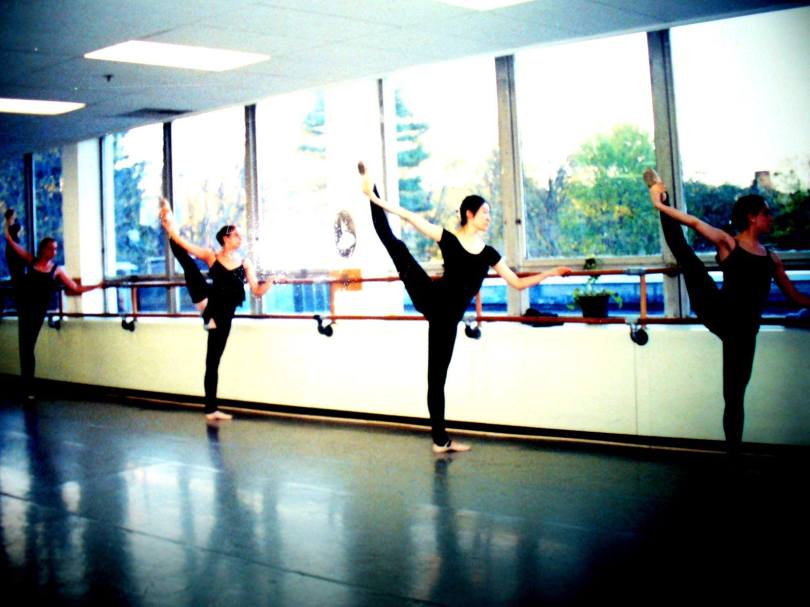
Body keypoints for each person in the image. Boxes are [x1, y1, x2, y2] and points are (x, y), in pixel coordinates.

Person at [359, 162, 572, 454]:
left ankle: (440, 441)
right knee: (395, 245)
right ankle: (370, 190)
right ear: (470, 214)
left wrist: (551, 272)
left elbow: (517, 283)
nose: (489, 217)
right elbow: (409, 216)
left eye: (490, 213)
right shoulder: (448, 239)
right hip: (429, 296)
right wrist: (377, 200)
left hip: (446, 320)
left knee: (436, 381)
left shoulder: (488, 254)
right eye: (485, 212)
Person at [645, 168, 810, 454]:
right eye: (766, 213)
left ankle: (733, 454)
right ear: (752, 217)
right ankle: (662, 194)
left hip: (744, 332)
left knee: (734, 397)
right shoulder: (728, 243)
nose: (771, 218)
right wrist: (660, 206)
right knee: (686, 256)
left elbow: (795, 296)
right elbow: (694, 223)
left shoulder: (772, 259)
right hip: (719, 309)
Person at [159, 198, 275, 421]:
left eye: (240, 235)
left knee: (212, 363)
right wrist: (170, 227)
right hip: (209, 302)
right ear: (225, 238)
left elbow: (256, 291)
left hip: (224, 318)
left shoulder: (245, 263)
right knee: (188, 265)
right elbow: (184, 245)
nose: (240, 238)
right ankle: (169, 221)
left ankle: (211, 409)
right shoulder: (211, 256)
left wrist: (271, 281)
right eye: (236, 235)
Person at [4, 209, 96, 399]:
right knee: (25, 347)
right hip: (25, 305)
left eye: (55, 249)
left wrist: (98, 286)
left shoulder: (56, 270)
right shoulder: (31, 261)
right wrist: (7, 222)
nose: (54, 252)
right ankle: (27, 387)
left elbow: (75, 287)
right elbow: (10, 242)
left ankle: (28, 387)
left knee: (27, 347)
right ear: (43, 249)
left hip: (37, 311)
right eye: (51, 248)